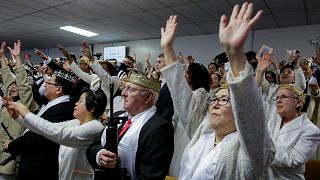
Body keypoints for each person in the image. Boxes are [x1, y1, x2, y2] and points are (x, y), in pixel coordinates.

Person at [160, 2, 272, 179]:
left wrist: (235, 55)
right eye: (214, 99)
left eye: (225, 100)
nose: (216, 104)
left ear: (239, 112)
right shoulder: (202, 131)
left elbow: (252, 120)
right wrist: (168, 49)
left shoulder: (246, 151)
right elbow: (182, 97)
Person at [86, 71, 174, 179]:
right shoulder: (119, 116)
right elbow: (93, 146)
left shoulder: (159, 128)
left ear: (148, 97)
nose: (123, 93)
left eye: (131, 89)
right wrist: (100, 155)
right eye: (125, 88)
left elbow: (151, 176)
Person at [4, 88, 107, 180]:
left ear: (92, 108)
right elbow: (46, 129)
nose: (76, 103)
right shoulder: (76, 122)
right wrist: (18, 117)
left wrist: (26, 113)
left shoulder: (95, 127)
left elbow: (58, 133)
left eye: (80, 101)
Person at [3, 69, 75, 180]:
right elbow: (38, 126)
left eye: (49, 82)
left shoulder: (61, 110)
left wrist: (13, 145)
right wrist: (17, 116)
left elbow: (37, 137)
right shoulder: (54, 105)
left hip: (39, 167)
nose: (45, 85)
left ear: (58, 89)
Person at [264, 84, 320, 179]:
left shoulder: (311, 130)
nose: (278, 101)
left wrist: (261, 149)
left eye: (284, 97)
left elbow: (293, 160)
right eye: (277, 98)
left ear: (298, 102)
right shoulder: (274, 119)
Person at [0, 41, 38, 180]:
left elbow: (23, 85)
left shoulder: (26, 104)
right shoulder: (9, 99)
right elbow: (7, 78)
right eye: (13, 86)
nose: (15, 88)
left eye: (18, 86)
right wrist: (2, 57)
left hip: (9, 155)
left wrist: (17, 59)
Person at [154, 53, 174, 121]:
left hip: (161, 123)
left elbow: (169, 110)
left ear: (168, 64)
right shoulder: (155, 82)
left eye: (159, 62)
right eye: (156, 62)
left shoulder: (171, 85)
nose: (156, 65)